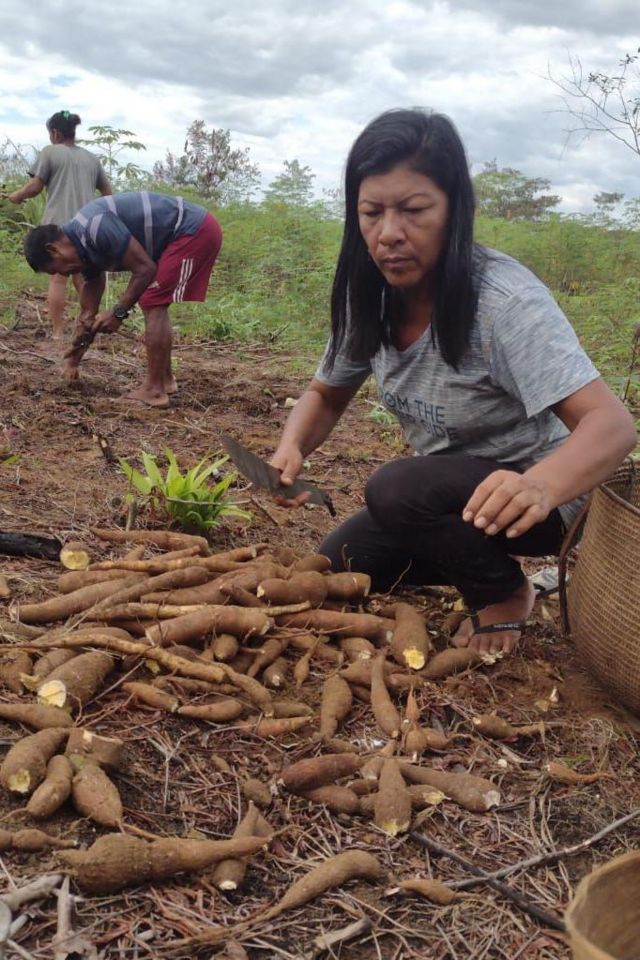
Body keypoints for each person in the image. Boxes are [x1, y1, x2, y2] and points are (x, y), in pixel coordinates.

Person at [270, 108, 637, 655]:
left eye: (414, 210)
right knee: (343, 562)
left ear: (455, 210)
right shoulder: (367, 295)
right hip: (448, 498)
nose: (389, 234)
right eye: (371, 213)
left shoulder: (503, 302)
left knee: (396, 488)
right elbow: (325, 394)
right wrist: (291, 448)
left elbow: (611, 426)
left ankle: (505, 593)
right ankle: (471, 557)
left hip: (548, 499)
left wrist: (539, 484)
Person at [22, 190, 223, 408]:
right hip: (183, 235)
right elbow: (90, 299)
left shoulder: (94, 226)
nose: (64, 275)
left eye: (55, 269)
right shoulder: (82, 249)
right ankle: (165, 381)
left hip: (194, 230)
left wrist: (118, 312)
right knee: (152, 300)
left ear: (54, 250)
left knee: (152, 300)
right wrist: (74, 357)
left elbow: (145, 269)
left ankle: (154, 391)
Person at [8, 110, 112, 340]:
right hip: (88, 227)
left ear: (55, 133)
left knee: (57, 277)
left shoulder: (50, 152)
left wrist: (16, 195)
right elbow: (108, 194)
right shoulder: (91, 159)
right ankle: (87, 326)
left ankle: (57, 333)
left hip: (57, 229)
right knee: (86, 277)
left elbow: (35, 186)